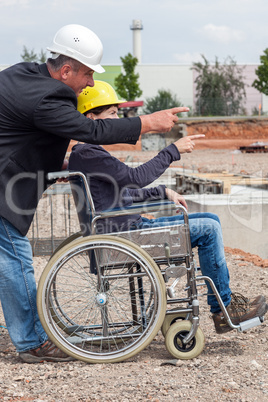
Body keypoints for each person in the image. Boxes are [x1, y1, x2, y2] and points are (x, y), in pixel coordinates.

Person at [0, 24, 191, 364]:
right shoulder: (51, 96)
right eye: (87, 74)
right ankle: (31, 342)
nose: (89, 82)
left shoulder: (21, 75)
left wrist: (51, 166)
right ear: (66, 69)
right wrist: (146, 123)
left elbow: (20, 133)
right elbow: (91, 130)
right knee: (16, 261)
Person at [69, 81, 268, 336]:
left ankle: (223, 306)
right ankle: (223, 309)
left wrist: (162, 191)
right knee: (208, 229)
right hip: (128, 236)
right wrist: (172, 151)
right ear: (91, 118)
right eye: (112, 114)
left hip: (126, 231)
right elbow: (136, 178)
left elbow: (124, 192)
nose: (117, 120)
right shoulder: (90, 154)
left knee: (210, 218)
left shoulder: (87, 153)